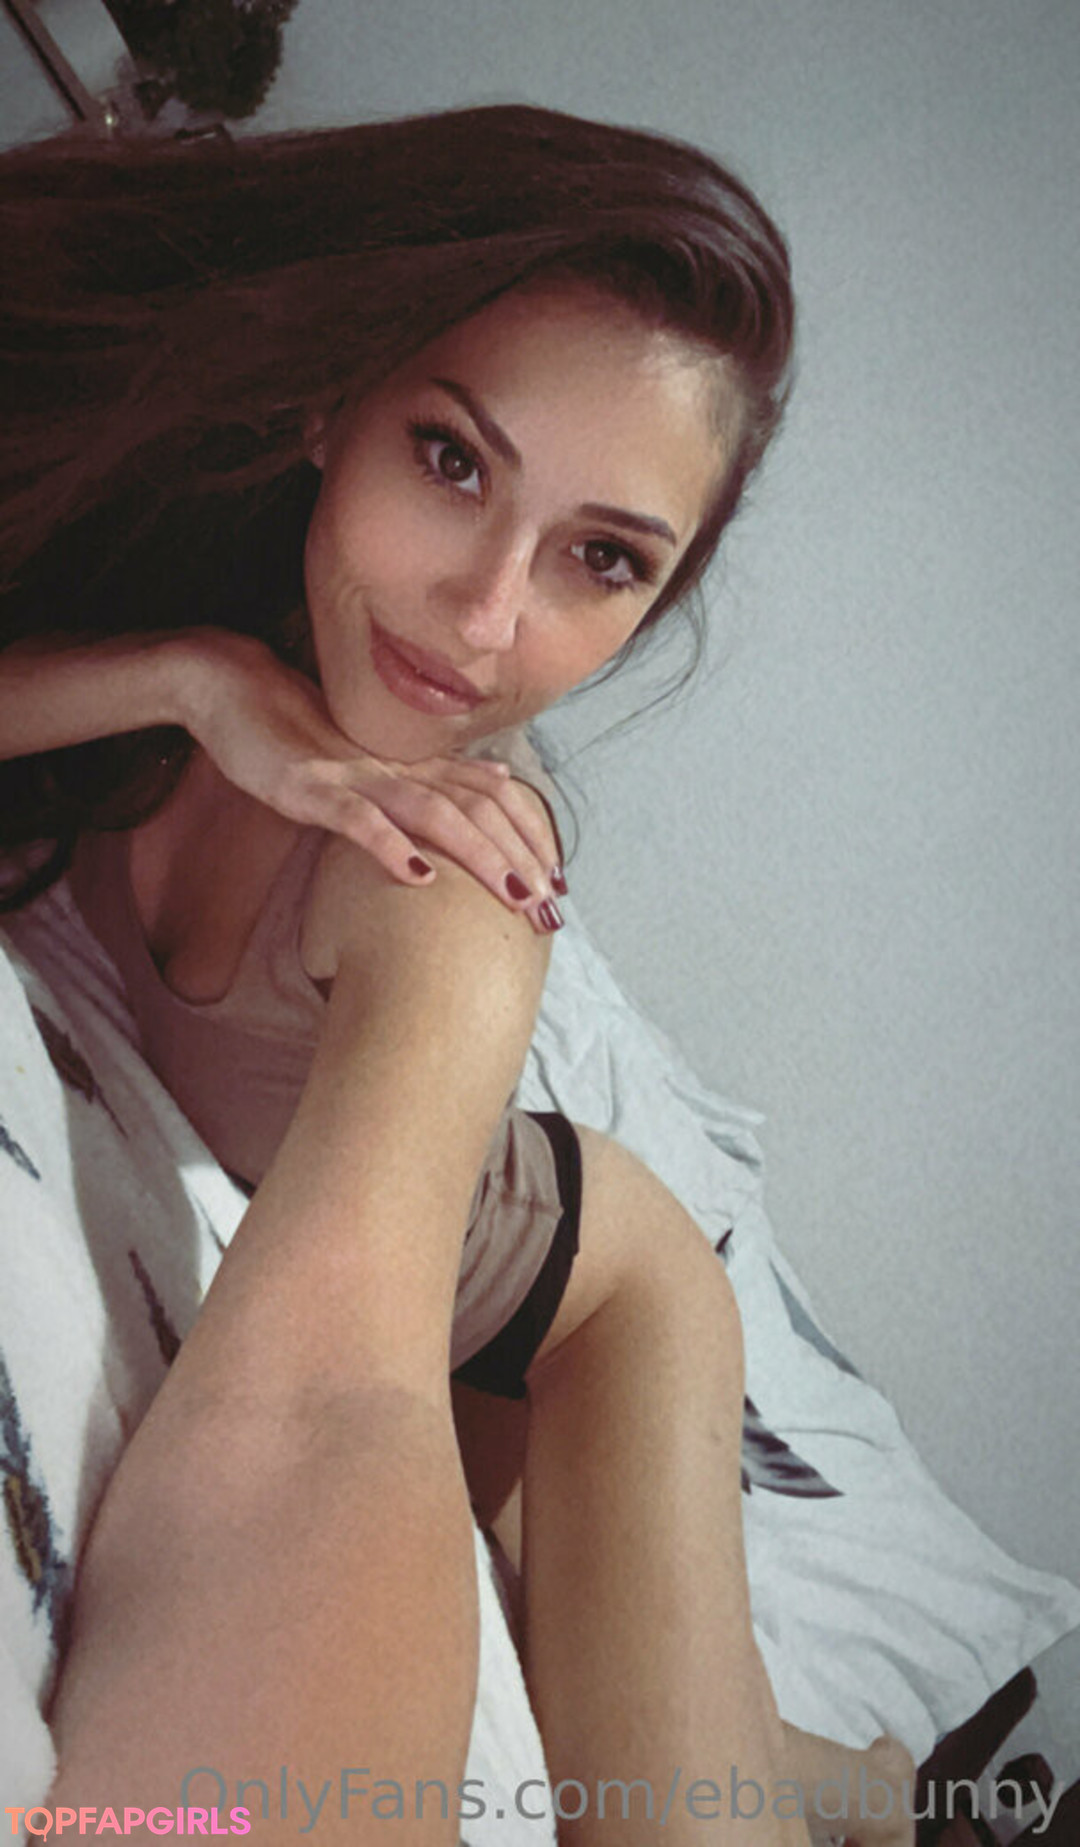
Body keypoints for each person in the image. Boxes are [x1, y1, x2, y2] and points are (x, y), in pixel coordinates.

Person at [0, 105, 914, 1843]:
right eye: (451, 459)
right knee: (590, 1661)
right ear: (334, 404)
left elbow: (336, 1398)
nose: (484, 618)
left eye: (602, 560)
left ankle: (859, 1783)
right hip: (464, 1272)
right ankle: (827, 1763)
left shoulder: (453, 877)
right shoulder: (187, 606)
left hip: (586, 1292)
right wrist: (188, 679)